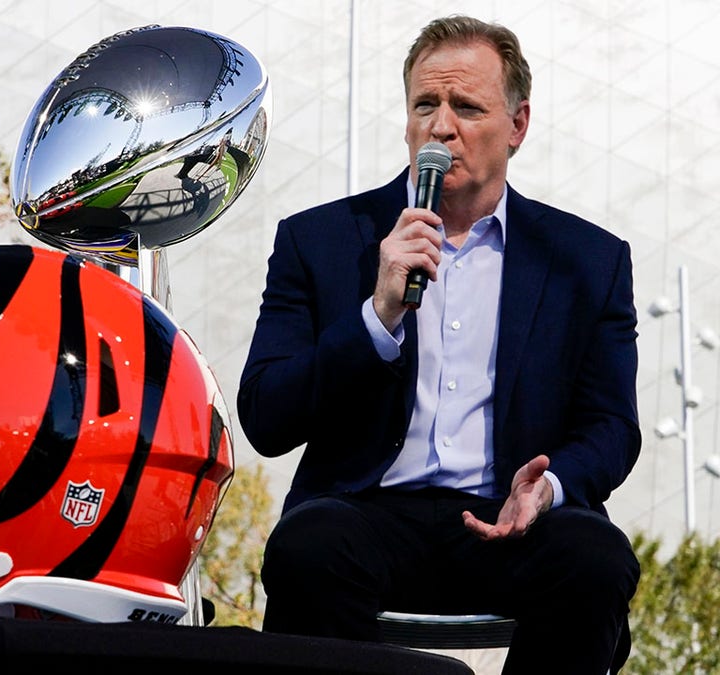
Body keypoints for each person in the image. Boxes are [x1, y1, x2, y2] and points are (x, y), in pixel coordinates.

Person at [237, 14, 640, 675]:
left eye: (466, 106)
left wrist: (549, 487)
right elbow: (266, 415)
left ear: (517, 126)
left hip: (512, 518)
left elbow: (612, 427)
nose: (441, 126)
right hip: (366, 516)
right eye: (425, 104)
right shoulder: (320, 241)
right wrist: (376, 315)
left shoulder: (587, 261)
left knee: (595, 558)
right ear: (406, 120)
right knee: (307, 548)